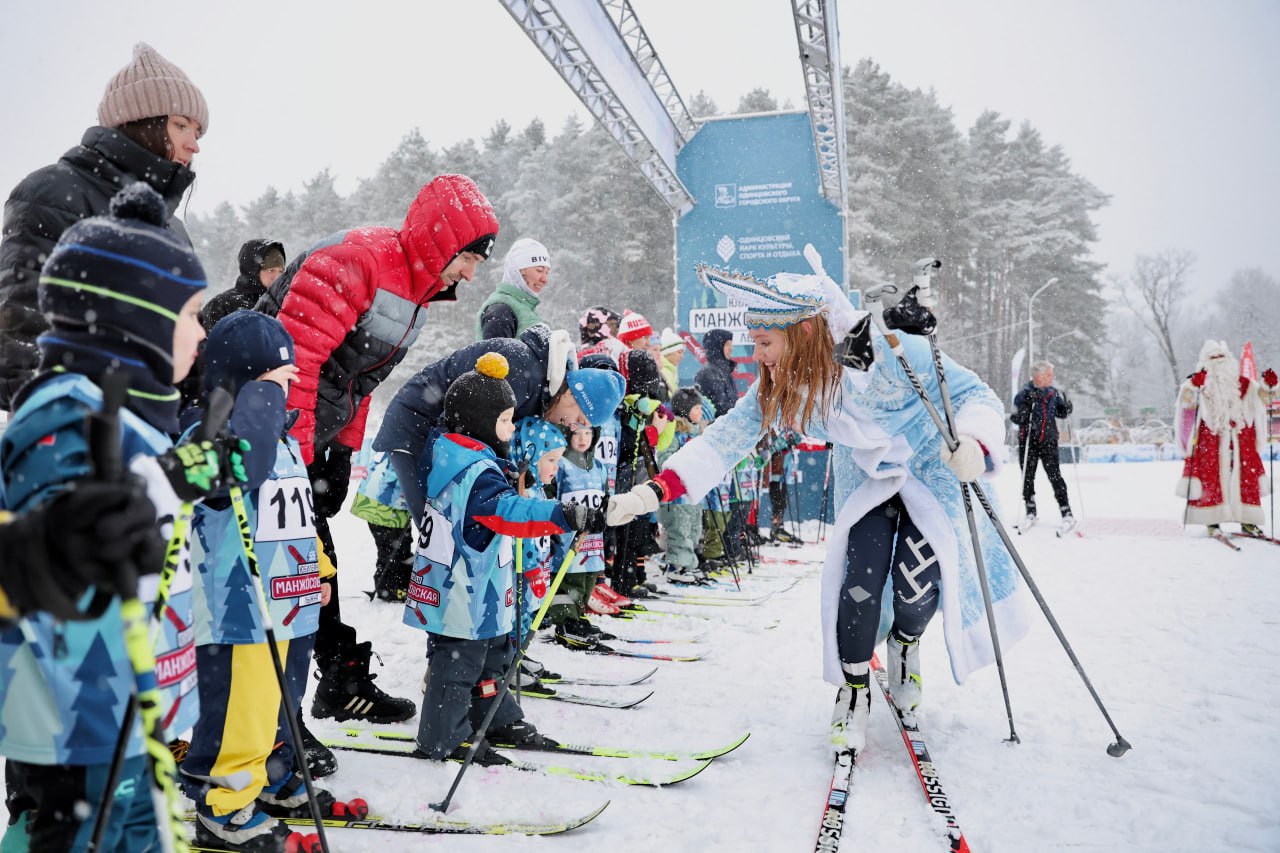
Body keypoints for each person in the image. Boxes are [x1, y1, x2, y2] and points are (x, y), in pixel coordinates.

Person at [606, 254, 1031, 756]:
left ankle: (906, 646)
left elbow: (975, 394)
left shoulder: (889, 352)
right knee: (860, 581)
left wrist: (976, 445)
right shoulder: (783, 385)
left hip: (931, 469)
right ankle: (852, 690)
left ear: (803, 335)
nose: (758, 355)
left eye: (766, 343)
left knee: (917, 585)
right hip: (867, 481)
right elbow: (726, 439)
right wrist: (655, 490)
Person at [0, 184, 249, 851]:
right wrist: (74, 536)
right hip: (69, 725)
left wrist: (193, 473)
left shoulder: (128, 411)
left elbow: (135, 495)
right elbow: (60, 532)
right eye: (190, 313)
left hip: (120, 707)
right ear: (138, 317)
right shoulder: (67, 409)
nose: (201, 332)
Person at [255, 173, 500, 739]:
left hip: (309, 439)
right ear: (443, 242)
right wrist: (294, 456)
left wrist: (342, 452)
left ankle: (335, 680)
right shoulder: (359, 260)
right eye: (469, 259)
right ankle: (267, 724)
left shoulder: (414, 294)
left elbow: (360, 381)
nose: (469, 275)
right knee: (285, 573)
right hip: (266, 437)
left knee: (315, 567)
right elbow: (294, 360)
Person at [181, 310, 334, 852]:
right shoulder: (210, 433)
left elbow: (298, 510)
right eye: (278, 378)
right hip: (241, 605)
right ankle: (223, 805)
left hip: (289, 597)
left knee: (279, 701)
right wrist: (259, 401)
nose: (290, 387)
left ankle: (266, 773)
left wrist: (321, 567)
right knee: (239, 710)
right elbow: (233, 477)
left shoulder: (283, 436)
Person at [406, 354, 602, 765]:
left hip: (480, 587)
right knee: (458, 664)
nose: (512, 429)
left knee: (493, 653)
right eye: (505, 420)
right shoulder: (474, 470)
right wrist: (558, 514)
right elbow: (508, 512)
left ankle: (493, 717)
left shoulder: (464, 456)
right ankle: (443, 736)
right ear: (480, 421)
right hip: (458, 589)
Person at [0, 42, 207, 410]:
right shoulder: (56, 193)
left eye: (197, 131)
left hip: (151, 434)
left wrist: (197, 418)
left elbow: (181, 345)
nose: (194, 145)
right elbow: (23, 332)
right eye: (181, 125)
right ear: (141, 122)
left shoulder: (173, 227)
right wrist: (73, 423)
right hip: (81, 429)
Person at [375, 324, 626, 521]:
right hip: (417, 423)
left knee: (451, 520)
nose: (572, 426)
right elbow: (464, 424)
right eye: (579, 420)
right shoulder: (524, 371)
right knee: (437, 520)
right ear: (572, 394)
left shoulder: (542, 387)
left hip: (439, 430)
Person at [1175, 340, 1277, 537]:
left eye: (1222, 357)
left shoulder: (1245, 385)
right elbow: (1186, 405)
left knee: (1246, 481)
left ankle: (1249, 521)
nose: (1218, 362)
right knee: (1211, 480)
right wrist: (1193, 387)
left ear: (1230, 360)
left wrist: (1270, 385)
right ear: (1205, 362)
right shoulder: (1199, 384)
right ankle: (1211, 521)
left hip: (1241, 441)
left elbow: (1264, 398)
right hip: (1210, 442)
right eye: (1213, 358)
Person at [547, 424, 612, 641]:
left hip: (592, 540)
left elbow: (604, 498)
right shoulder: (562, 464)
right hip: (568, 538)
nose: (583, 438)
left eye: (587, 433)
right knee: (569, 579)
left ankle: (578, 615)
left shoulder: (599, 467)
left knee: (588, 579)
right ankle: (565, 621)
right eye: (576, 433)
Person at [1012, 361, 1074, 528]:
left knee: (1055, 476)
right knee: (1028, 477)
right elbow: (1017, 416)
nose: (1052, 377)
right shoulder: (1024, 394)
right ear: (1039, 376)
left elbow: (1061, 413)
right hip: (1029, 443)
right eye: (1049, 374)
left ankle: (1066, 510)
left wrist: (1067, 407)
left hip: (1048, 442)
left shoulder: (1053, 393)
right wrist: (1025, 410)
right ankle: (1030, 511)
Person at [658, 388, 708, 584]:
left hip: (694, 492)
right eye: (696, 408)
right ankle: (677, 565)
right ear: (685, 410)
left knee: (693, 527)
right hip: (677, 493)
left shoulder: (699, 433)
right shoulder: (674, 432)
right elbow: (665, 457)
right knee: (678, 528)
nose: (700, 412)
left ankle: (688, 564)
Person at [350, 450, 414, 602]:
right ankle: (391, 589)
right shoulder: (410, 446)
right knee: (394, 550)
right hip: (385, 504)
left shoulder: (402, 440)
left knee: (393, 547)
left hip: (380, 500)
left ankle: (389, 586)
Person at [201, 240, 286, 331]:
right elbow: (204, 343)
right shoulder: (221, 305)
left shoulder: (283, 304)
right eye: (271, 270)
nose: (277, 277)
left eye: (281, 271)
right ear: (254, 271)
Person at [477, 238, 551, 339]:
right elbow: (495, 354)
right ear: (518, 271)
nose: (545, 279)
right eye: (539, 270)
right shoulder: (500, 310)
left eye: (547, 272)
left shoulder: (527, 308)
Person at [695, 328, 740, 418]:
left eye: (731, 345)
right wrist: (740, 409)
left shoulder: (725, 372)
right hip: (717, 428)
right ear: (717, 347)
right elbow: (719, 407)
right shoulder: (707, 373)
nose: (731, 349)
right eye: (727, 345)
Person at [658, 327, 684, 396]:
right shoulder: (665, 373)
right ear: (668, 352)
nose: (682, 356)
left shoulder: (668, 371)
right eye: (679, 352)